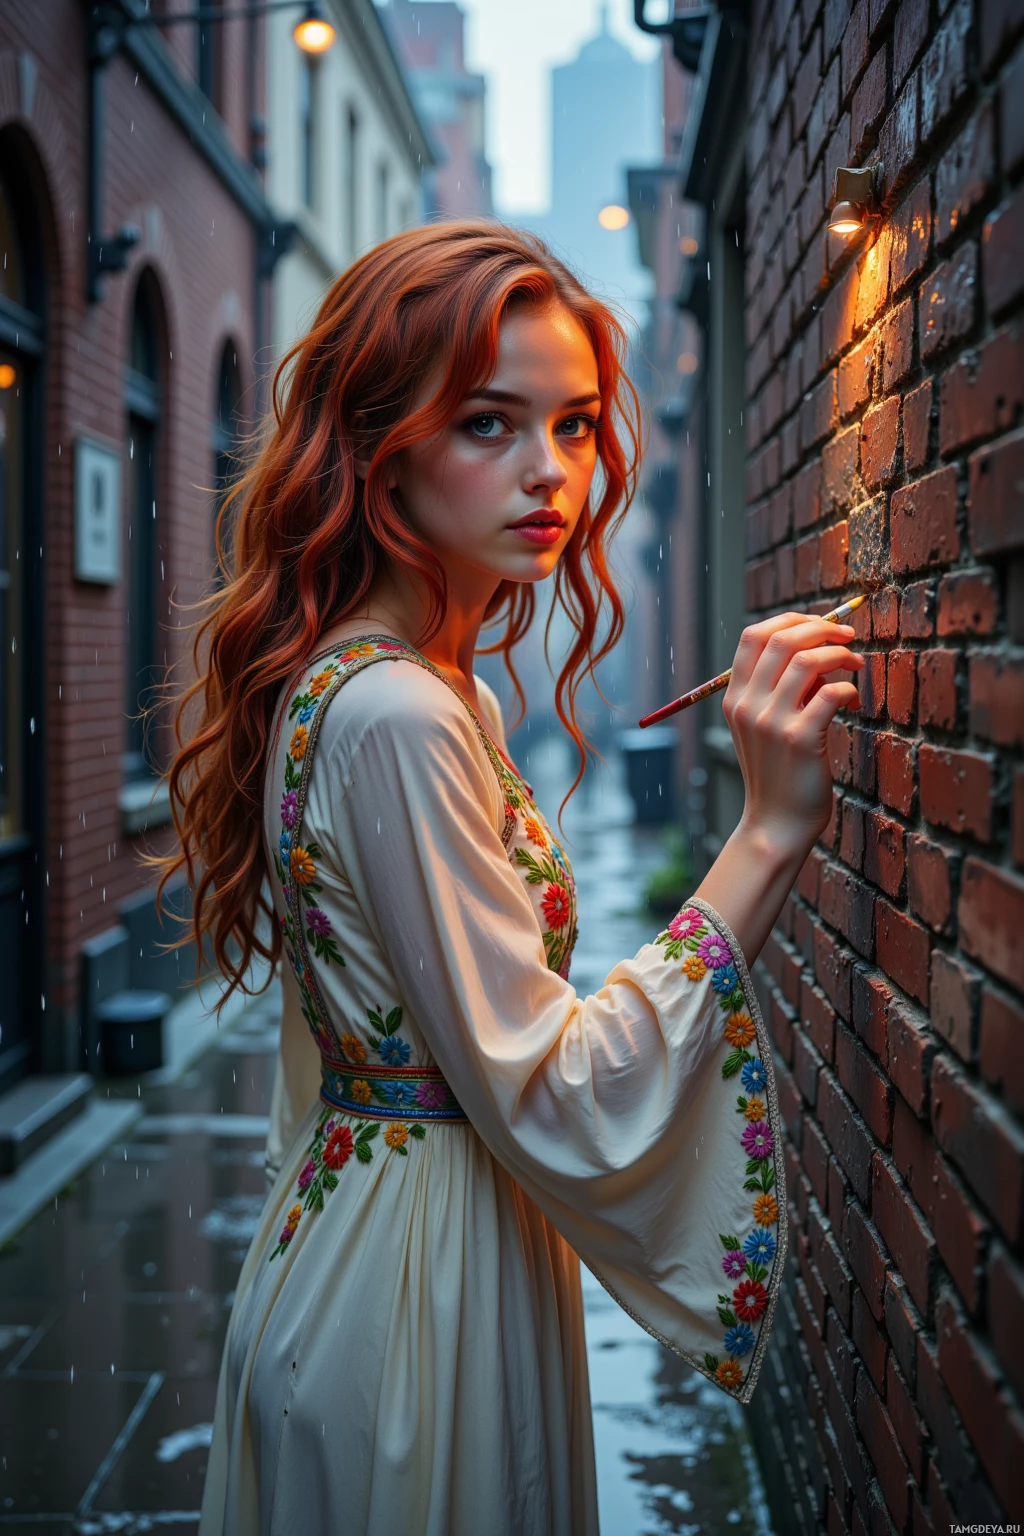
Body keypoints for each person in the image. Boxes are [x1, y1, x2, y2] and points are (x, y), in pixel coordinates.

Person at [163, 222, 863, 1536]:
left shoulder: (419, 690)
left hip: (386, 1238)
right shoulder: (401, 717)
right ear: (380, 447)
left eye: (578, 425)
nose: (550, 472)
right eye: (489, 422)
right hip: (416, 1296)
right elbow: (554, 1086)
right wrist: (770, 826)